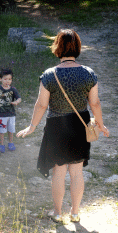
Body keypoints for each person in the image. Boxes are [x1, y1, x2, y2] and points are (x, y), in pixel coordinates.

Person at [16, 29, 109, 223]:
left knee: (59, 170)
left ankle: (57, 213)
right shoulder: (89, 74)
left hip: (56, 125)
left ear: (57, 47)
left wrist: (32, 126)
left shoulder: (49, 75)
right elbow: (95, 103)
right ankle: (75, 213)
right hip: (79, 125)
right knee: (76, 172)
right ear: (78, 47)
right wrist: (101, 124)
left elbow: (42, 104)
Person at [0, 68, 21, 153]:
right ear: (0, 79)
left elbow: (19, 98)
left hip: (11, 114)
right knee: (1, 131)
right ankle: (1, 144)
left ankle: (11, 143)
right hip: (1, 114)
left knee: (11, 130)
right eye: (5, 79)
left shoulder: (13, 89)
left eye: (10, 79)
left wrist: (16, 102)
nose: (8, 81)